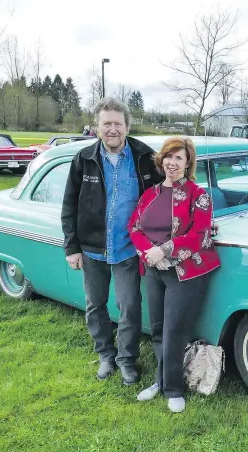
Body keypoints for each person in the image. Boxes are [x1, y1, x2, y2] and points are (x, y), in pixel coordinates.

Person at [61, 97, 164, 385]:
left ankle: (126, 359)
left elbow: (169, 189)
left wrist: (199, 213)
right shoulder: (84, 159)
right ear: (97, 127)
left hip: (128, 249)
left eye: (117, 124)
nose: (112, 129)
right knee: (96, 304)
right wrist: (72, 247)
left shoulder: (145, 157)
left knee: (129, 306)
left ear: (127, 126)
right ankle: (106, 355)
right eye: (106, 124)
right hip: (93, 248)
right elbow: (69, 205)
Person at [130, 137, 220, 413]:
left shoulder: (198, 194)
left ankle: (173, 389)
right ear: (162, 160)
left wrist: (165, 250)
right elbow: (134, 227)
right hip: (153, 269)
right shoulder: (150, 194)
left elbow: (200, 236)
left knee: (174, 331)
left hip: (186, 272)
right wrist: (149, 253)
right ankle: (161, 380)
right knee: (157, 328)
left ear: (187, 163)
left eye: (179, 158)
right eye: (169, 156)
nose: (172, 162)